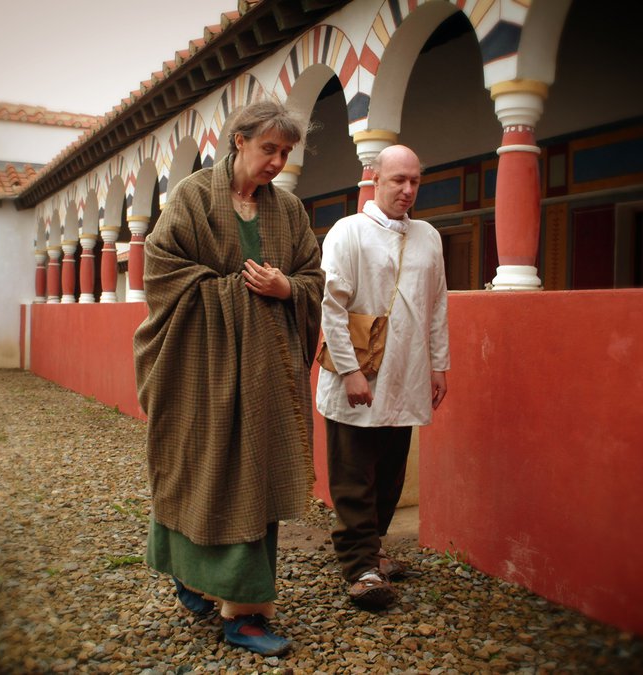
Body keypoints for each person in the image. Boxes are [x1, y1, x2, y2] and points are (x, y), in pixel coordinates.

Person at [133, 100, 324, 656]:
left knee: (254, 475)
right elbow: (161, 269)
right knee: (200, 467)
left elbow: (313, 274)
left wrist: (286, 289)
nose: (277, 162)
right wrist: (235, 292)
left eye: (286, 153)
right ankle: (196, 579)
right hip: (203, 367)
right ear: (238, 141)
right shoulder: (192, 197)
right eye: (269, 149)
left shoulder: (287, 211)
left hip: (269, 371)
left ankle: (245, 613)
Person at [316, 144, 450, 609]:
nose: (408, 190)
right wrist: (351, 372)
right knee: (355, 475)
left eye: (415, 180)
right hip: (359, 375)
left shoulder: (429, 236)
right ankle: (360, 568)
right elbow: (330, 305)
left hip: (408, 374)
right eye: (398, 180)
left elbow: (437, 306)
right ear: (375, 179)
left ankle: (374, 548)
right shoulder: (349, 232)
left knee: (392, 471)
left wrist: (438, 365)